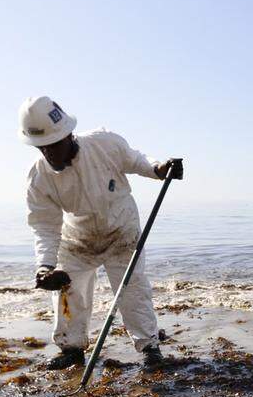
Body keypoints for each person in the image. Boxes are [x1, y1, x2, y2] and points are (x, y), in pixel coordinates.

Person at [18, 96, 184, 370]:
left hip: (121, 232)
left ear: (68, 135)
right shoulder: (39, 176)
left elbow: (136, 160)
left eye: (54, 145)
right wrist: (45, 267)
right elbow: (44, 225)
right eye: (42, 147)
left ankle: (149, 347)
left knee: (132, 289)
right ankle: (72, 349)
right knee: (68, 291)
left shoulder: (104, 144)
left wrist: (159, 169)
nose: (49, 154)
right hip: (78, 240)